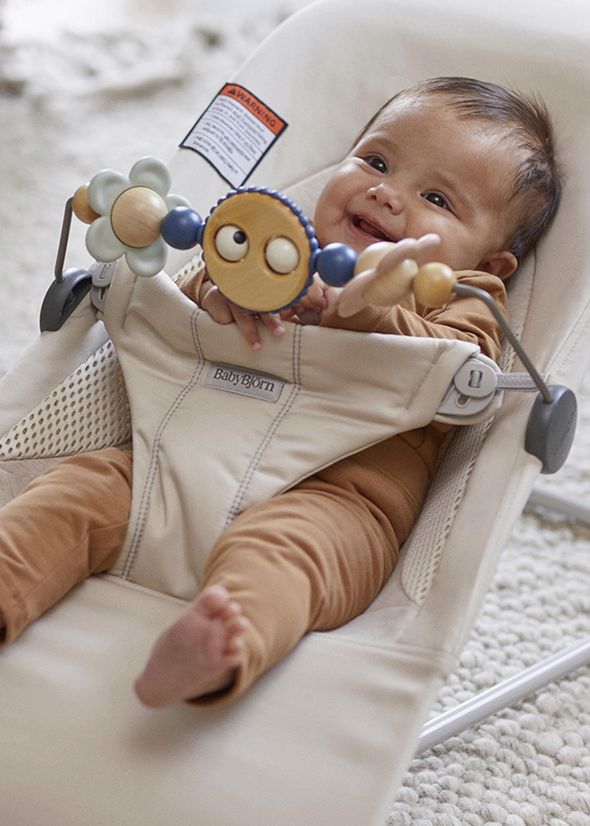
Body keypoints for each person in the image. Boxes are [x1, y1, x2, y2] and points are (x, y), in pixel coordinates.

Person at [0, 77, 561, 709]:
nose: (386, 192)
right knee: (76, 492)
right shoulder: (265, 245)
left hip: (335, 497)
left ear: (489, 264)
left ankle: (223, 642)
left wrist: (370, 314)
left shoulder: (461, 294)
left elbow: (465, 365)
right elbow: (175, 323)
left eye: (436, 198)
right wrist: (219, 297)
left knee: (290, 559)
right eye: (376, 162)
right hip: (176, 457)